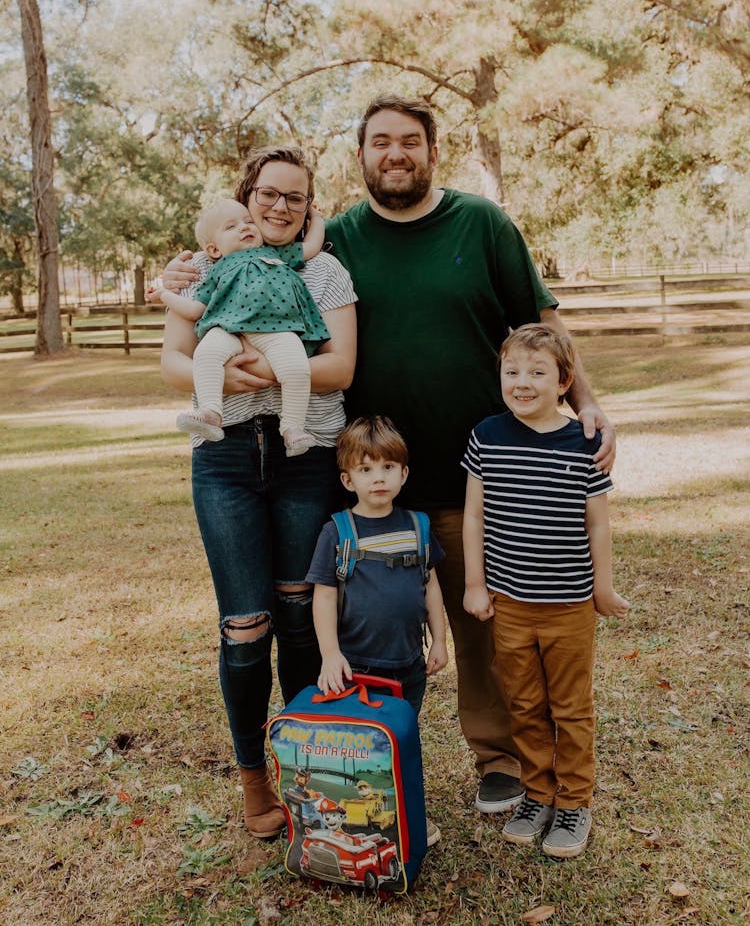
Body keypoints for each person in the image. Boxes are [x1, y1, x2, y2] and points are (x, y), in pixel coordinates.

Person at [162, 94, 615, 816]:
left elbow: (541, 324)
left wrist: (584, 399)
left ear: (432, 151)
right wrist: (192, 267)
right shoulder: (341, 236)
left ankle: (499, 760)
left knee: (481, 621)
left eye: (410, 140)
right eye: (380, 142)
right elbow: (244, 274)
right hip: (371, 479)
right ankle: (344, 753)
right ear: (362, 155)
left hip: (476, 471)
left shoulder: (482, 222)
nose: (395, 153)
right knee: (362, 623)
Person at [159, 145, 357, 838]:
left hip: (307, 457)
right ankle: (253, 777)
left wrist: (270, 374)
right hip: (228, 460)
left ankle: (313, 769)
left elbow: (341, 362)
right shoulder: (204, 268)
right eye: (268, 193)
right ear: (246, 198)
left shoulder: (325, 271)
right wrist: (229, 377)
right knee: (246, 624)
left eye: (294, 198)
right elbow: (172, 361)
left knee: (302, 613)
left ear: (308, 209)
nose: (278, 206)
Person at [462, 324, 628, 858]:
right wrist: (474, 584)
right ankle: (538, 793)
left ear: (564, 382)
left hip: (569, 605)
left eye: (537, 373)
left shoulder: (582, 442)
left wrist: (601, 587)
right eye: (512, 372)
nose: (522, 382)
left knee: (570, 707)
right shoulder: (487, 436)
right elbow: (474, 516)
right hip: (510, 604)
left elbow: (597, 524)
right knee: (525, 703)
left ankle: (574, 802)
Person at [305, 415, 448, 846]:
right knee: (358, 752)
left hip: (408, 666)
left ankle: (404, 818)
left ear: (403, 474)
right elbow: (324, 596)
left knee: (399, 744)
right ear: (348, 480)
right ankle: (355, 822)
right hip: (357, 668)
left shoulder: (417, 527)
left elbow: (432, 587)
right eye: (366, 470)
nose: (378, 478)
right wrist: (330, 654)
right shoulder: (337, 532)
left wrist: (440, 640)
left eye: (387, 467)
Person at [151, 197, 330, 456]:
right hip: (227, 328)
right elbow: (195, 310)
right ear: (214, 249)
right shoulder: (214, 270)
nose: (244, 227)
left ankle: (292, 428)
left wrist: (318, 219)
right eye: (231, 227)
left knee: (297, 368)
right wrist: (164, 295)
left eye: (248, 222)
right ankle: (210, 413)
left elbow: (312, 246)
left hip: (278, 329)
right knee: (206, 355)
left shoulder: (276, 253)